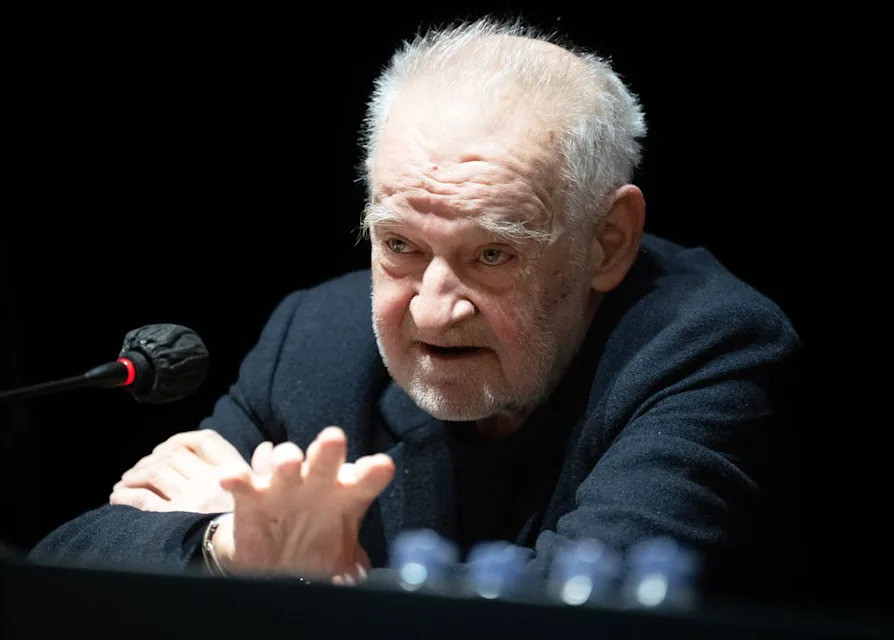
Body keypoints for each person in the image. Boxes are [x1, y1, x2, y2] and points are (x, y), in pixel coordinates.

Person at [29, 17, 800, 589]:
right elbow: (64, 569)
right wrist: (229, 546)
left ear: (607, 242)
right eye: (399, 244)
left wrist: (318, 584)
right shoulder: (317, 341)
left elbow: (586, 616)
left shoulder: (709, 347)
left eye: (491, 254)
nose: (431, 312)